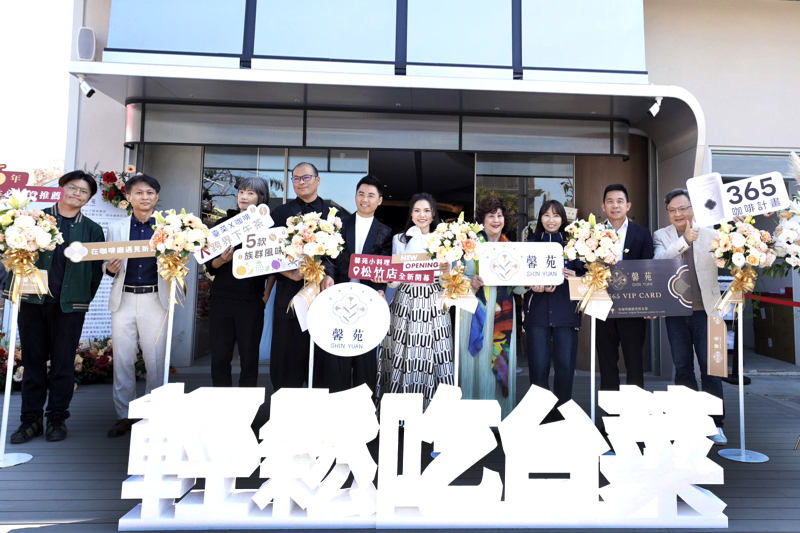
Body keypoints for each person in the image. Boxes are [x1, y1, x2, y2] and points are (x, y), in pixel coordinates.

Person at [8, 170, 105, 444]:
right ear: (62, 187)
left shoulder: (92, 230)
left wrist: (81, 298)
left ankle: (56, 419)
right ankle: (30, 420)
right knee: (33, 361)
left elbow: (95, 274)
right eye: (73, 187)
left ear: (89, 198)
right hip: (32, 302)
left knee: (63, 364)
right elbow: (12, 255)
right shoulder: (33, 220)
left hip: (70, 307)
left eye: (84, 191)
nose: (77, 194)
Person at [654, 188, 726, 445]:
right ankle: (687, 421)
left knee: (711, 367)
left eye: (683, 208)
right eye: (672, 210)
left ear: (693, 209)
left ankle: (715, 423)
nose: (678, 214)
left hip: (707, 310)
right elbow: (660, 261)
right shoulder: (661, 235)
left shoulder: (711, 234)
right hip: (675, 312)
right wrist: (684, 240)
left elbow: (728, 259)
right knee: (682, 366)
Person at [104, 173, 170, 438]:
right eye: (139, 193)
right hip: (124, 298)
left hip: (156, 298)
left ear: (157, 197)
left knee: (156, 360)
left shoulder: (169, 227)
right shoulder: (117, 228)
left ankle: (155, 414)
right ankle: (124, 415)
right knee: (123, 358)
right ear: (128, 197)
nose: (145, 197)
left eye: (150, 193)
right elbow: (106, 262)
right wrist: (109, 268)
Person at [378, 192, 452, 412]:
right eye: (417, 210)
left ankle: (434, 412)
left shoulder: (445, 241)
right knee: (403, 353)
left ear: (433, 214)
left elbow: (449, 282)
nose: (422, 215)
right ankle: (400, 414)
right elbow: (394, 280)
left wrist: (447, 271)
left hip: (434, 301)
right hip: (406, 300)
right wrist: (387, 278)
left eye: (426, 211)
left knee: (434, 353)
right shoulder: (400, 239)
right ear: (411, 214)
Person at [269, 162, 335, 391]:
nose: (301, 182)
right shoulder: (280, 213)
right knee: (286, 363)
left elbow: (340, 256)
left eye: (306, 177)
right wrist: (288, 272)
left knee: (321, 366)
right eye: (296, 178)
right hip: (289, 297)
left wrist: (328, 275)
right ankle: (286, 410)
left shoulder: (332, 214)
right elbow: (268, 255)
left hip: (322, 297)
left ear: (318, 180)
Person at [459, 195, 525, 419]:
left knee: (498, 356)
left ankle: (501, 415)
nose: (496, 220)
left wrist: (528, 282)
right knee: (475, 361)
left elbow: (519, 288)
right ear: (482, 219)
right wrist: (471, 281)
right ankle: (470, 416)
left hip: (503, 311)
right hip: (475, 308)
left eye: (499, 216)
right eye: (491, 216)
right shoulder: (469, 245)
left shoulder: (511, 247)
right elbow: (454, 277)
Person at [331, 175, 393, 398]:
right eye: (361, 194)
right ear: (355, 196)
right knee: (337, 357)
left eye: (371, 196)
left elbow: (384, 266)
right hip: (337, 299)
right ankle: (336, 407)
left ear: (380, 201)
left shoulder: (385, 232)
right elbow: (328, 258)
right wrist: (327, 276)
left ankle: (364, 410)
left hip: (366, 302)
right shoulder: (338, 225)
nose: (365, 199)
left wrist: (381, 288)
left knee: (365, 359)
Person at [206, 178, 271, 388]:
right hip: (221, 299)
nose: (244, 197)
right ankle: (221, 402)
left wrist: (266, 295)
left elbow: (274, 267)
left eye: (251, 193)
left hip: (251, 301)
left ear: (261, 198)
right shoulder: (222, 225)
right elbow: (210, 265)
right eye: (241, 192)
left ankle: (248, 406)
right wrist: (222, 260)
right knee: (220, 356)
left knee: (249, 358)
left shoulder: (267, 227)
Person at [524, 199, 584, 412]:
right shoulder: (530, 244)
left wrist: (575, 276)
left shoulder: (575, 245)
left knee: (565, 367)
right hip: (537, 312)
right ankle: (540, 415)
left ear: (563, 219)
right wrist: (530, 284)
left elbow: (588, 277)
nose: (551, 220)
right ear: (540, 218)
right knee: (538, 367)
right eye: (547, 215)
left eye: (556, 215)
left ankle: (562, 413)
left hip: (566, 312)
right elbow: (520, 276)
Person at [596, 183, 654, 392]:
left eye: (620, 201)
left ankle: (633, 410)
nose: (615, 206)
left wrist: (650, 305)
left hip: (633, 308)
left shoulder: (642, 234)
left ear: (628, 205)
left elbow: (649, 270)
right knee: (607, 362)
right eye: (610, 202)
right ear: (603, 206)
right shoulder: (593, 234)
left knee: (634, 361)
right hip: (603, 306)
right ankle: (609, 410)